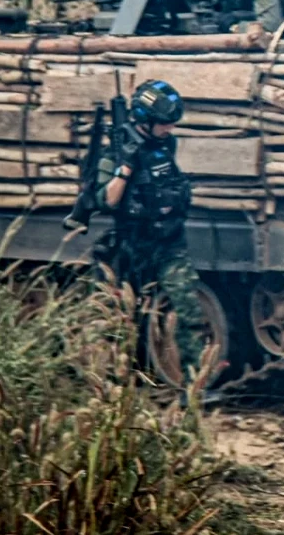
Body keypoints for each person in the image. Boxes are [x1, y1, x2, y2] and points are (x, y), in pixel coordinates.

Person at [92, 80, 207, 387]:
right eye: (164, 123)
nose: (170, 128)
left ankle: (194, 387)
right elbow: (106, 201)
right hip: (131, 247)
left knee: (189, 312)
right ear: (145, 120)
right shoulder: (116, 152)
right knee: (118, 321)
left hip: (168, 244)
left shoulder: (166, 145)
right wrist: (125, 167)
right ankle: (114, 388)